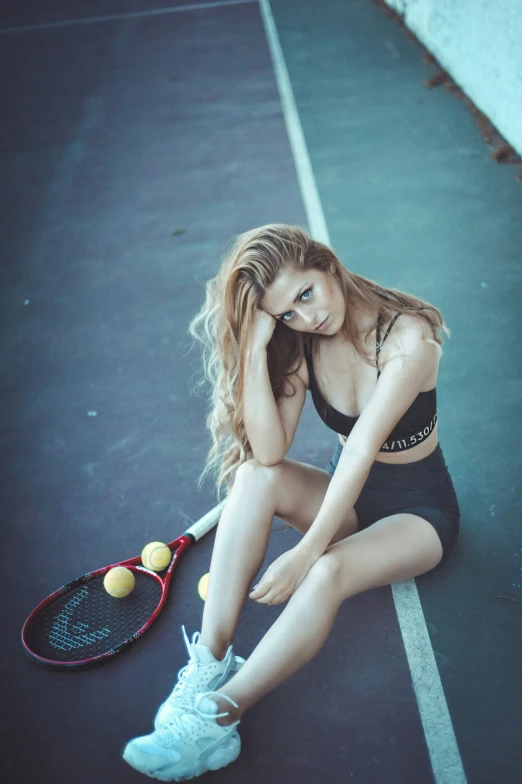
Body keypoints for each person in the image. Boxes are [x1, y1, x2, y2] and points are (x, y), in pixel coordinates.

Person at [122, 224, 460, 781]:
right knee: (255, 478)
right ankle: (209, 661)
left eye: (305, 294)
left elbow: (360, 452)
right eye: (286, 314)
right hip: (349, 500)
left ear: (326, 265)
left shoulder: (408, 338)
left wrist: (306, 551)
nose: (306, 318)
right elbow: (271, 450)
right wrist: (257, 347)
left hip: (419, 513)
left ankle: (217, 720)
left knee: (326, 571)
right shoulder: (302, 344)